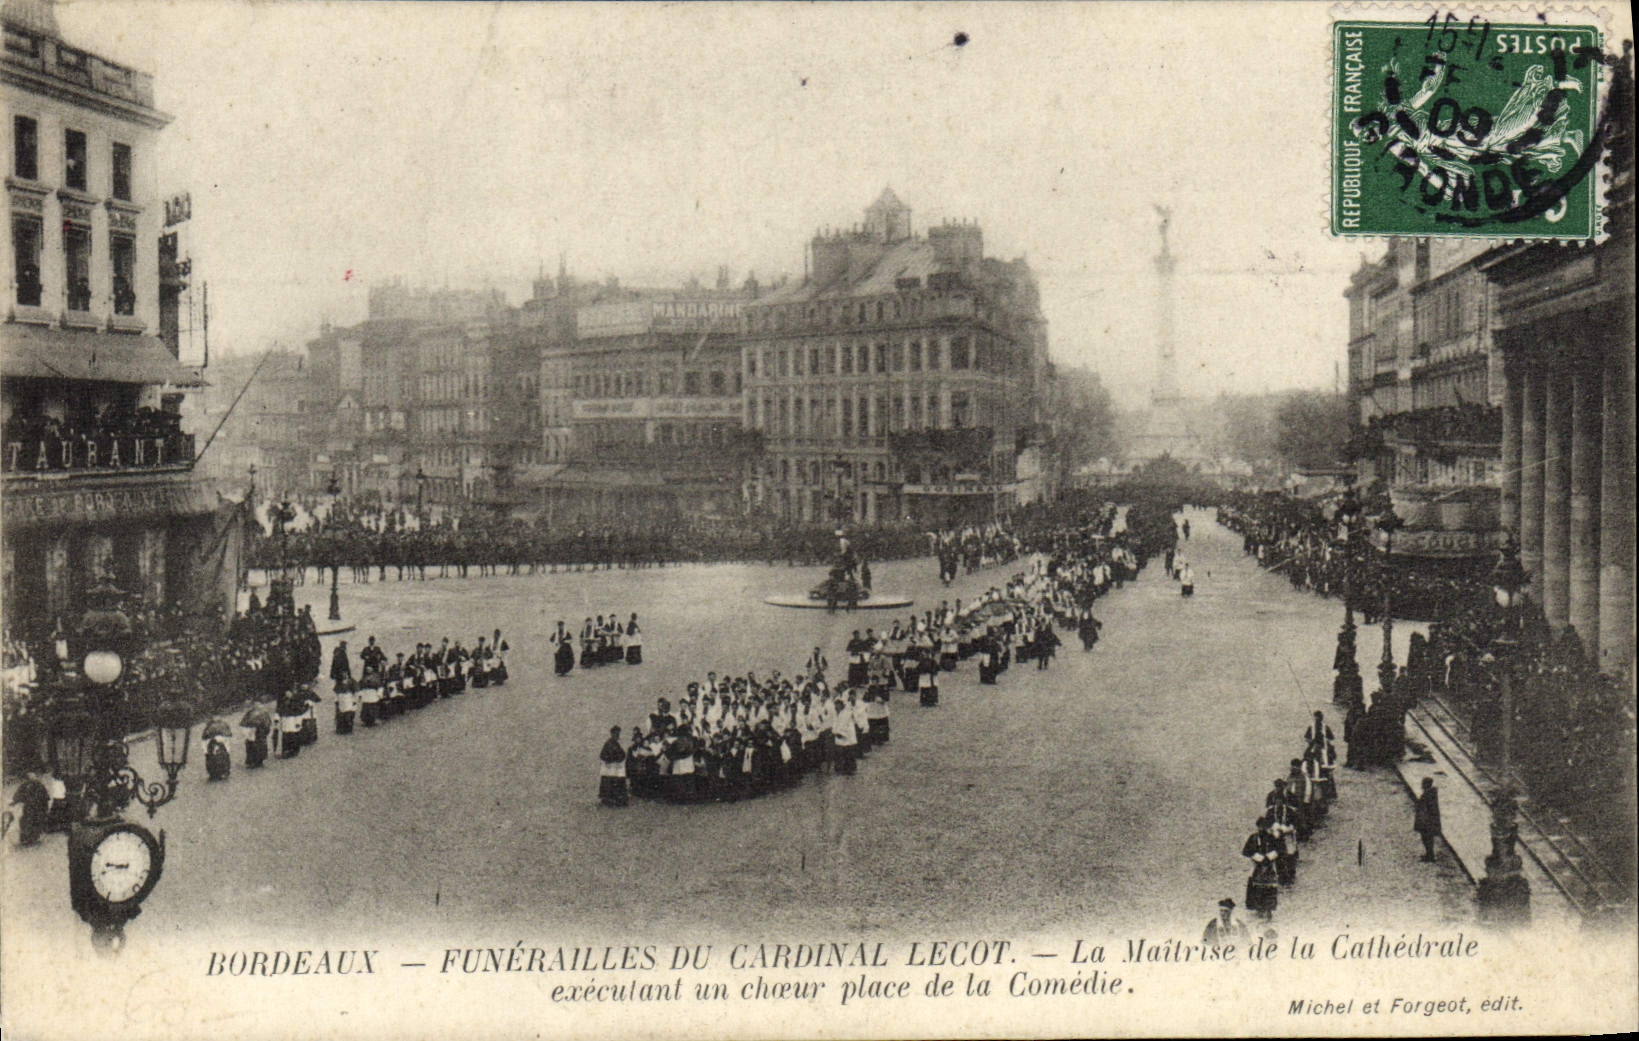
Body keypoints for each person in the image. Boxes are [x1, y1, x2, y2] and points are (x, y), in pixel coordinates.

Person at [1242, 816, 1281, 921]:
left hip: (1269, 867)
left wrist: (1269, 857)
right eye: (1260, 827)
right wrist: (1257, 857)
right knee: (1257, 887)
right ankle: (1259, 908)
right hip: (1256, 866)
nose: (1262, 829)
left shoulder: (1272, 838)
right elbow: (1246, 851)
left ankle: (1268, 909)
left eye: (1264, 827)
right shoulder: (1254, 838)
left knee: (1270, 888)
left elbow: (1279, 849)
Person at [599, 726, 629, 807]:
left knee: (615, 782)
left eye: (618, 734)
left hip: (616, 767)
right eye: (616, 734)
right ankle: (611, 799)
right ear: (612, 734)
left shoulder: (616, 743)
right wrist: (611, 760)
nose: (617, 735)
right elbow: (603, 755)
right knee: (611, 782)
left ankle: (615, 799)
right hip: (610, 768)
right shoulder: (608, 743)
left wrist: (619, 759)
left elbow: (622, 754)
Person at [1413, 777, 1442, 862]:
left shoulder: (1428, 795)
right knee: (1427, 838)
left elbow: (1426, 809)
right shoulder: (1430, 794)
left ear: (1426, 784)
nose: (1421, 785)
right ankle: (1429, 854)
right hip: (1428, 821)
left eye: (1423, 783)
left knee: (1427, 838)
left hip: (1427, 822)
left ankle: (1430, 856)